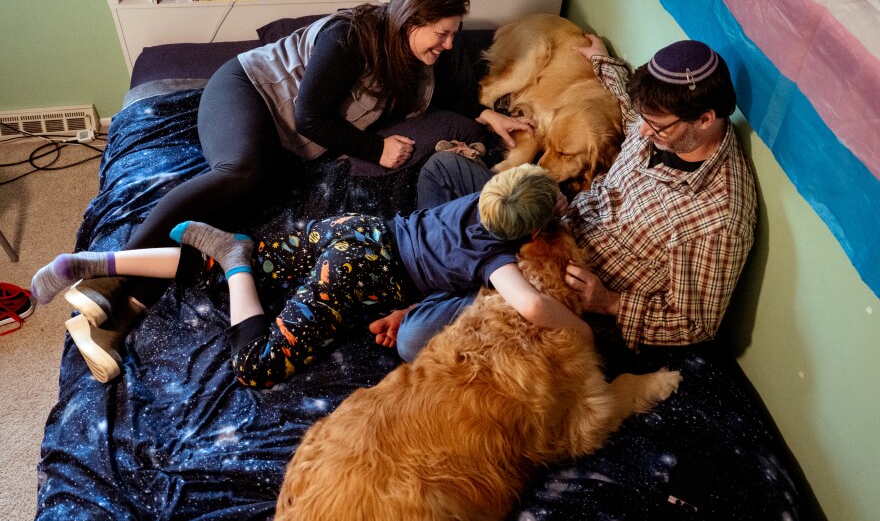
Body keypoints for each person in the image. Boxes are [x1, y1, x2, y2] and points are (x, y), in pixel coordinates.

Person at [64, 0, 536, 372]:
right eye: (443, 33)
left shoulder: (420, 63)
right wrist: (374, 146)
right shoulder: (351, 36)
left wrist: (486, 116)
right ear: (412, 21)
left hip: (288, 144)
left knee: (235, 218)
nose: (450, 44)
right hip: (247, 93)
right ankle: (109, 276)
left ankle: (121, 315)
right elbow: (310, 116)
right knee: (239, 174)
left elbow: (450, 98)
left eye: (455, 34)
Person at [371, 36, 757, 362]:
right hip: (548, 223)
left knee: (412, 339)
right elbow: (628, 108)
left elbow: (697, 324)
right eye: (645, 119)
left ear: (705, 119)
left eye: (656, 125)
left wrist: (608, 302)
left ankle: (454, 282)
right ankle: (460, 275)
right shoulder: (661, 122)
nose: (644, 130)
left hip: (560, 289)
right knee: (445, 168)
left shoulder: (719, 217)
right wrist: (602, 60)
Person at [32, 164, 585, 386]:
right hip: (360, 270)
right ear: (530, 231)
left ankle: (90, 262)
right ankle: (236, 258)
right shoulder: (497, 258)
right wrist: (581, 331)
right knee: (255, 365)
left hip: (355, 229)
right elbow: (533, 307)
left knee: (226, 271)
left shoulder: (475, 199)